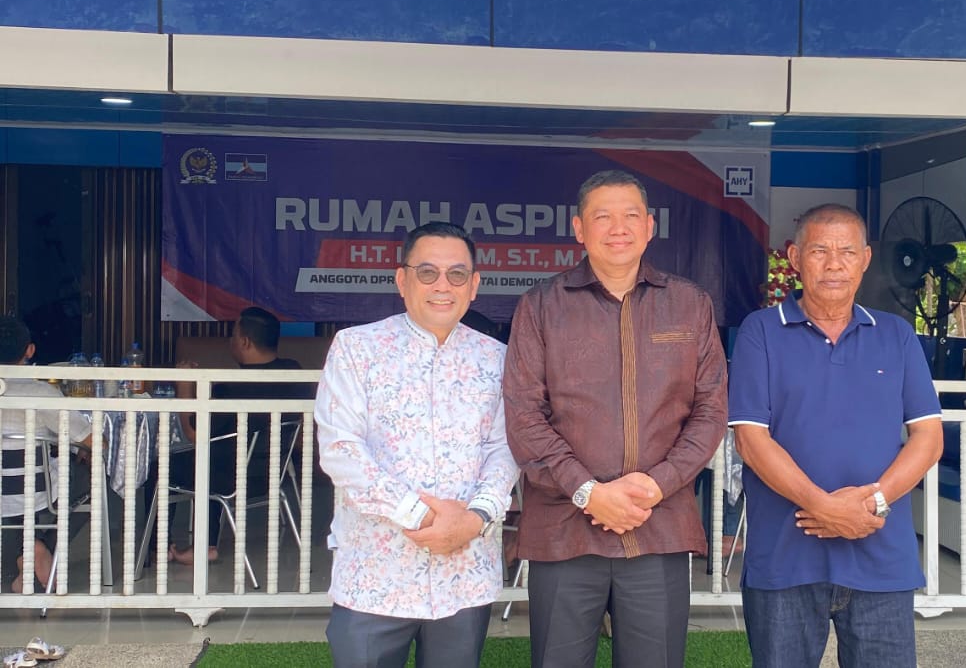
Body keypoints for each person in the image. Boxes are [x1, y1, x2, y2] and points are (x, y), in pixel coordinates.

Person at [503, 170, 728, 668]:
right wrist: (589, 492)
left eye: (630, 215)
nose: (618, 227)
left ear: (650, 227)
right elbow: (524, 416)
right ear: (579, 229)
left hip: (658, 526)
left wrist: (657, 484)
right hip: (564, 531)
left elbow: (710, 410)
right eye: (602, 216)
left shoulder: (689, 304)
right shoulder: (541, 306)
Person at [728, 204, 943, 668]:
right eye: (819, 251)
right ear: (795, 257)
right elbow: (750, 439)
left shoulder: (896, 335)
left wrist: (873, 503)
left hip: (880, 555)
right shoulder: (761, 331)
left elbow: (928, 436)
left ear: (865, 260)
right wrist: (824, 507)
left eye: (847, 252)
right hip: (785, 558)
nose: (834, 264)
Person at [316, 222, 516, 668]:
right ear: (402, 280)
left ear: (474, 286)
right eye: (427, 272)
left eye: (457, 274)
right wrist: (426, 518)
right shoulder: (357, 349)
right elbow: (342, 450)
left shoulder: (497, 359)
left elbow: (503, 449)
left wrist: (473, 520)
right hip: (375, 574)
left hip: (464, 574)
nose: (443, 286)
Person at [167, 306, 313, 565]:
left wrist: (185, 388)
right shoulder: (295, 372)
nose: (230, 341)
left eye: (233, 335)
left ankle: (160, 548)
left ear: (244, 342)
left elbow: (192, 434)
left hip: (231, 478)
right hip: (273, 474)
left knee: (162, 466)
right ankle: (205, 543)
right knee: (214, 456)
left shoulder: (232, 388)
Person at [0, 315, 94, 593]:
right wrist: (73, 447)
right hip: (36, 492)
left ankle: (28, 551)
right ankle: (40, 547)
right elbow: (93, 441)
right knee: (92, 480)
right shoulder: (41, 392)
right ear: (30, 350)